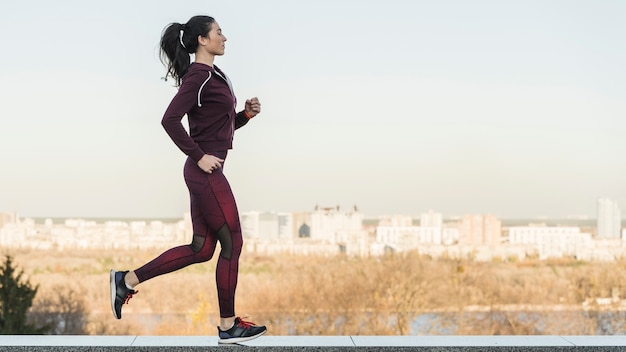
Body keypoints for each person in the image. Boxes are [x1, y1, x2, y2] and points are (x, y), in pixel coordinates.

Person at [109, 15, 267, 344]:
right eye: (219, 32)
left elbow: (218, 128)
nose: (225, 37)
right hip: (204, 172)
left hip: (206, 171)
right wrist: (198, 156)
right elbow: (169, 120)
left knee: (202, 249)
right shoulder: (198, 75)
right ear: (202, 40)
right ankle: (227, 325)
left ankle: (126, 280)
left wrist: (245, 116)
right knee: (233, 243)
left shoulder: (214, 74)